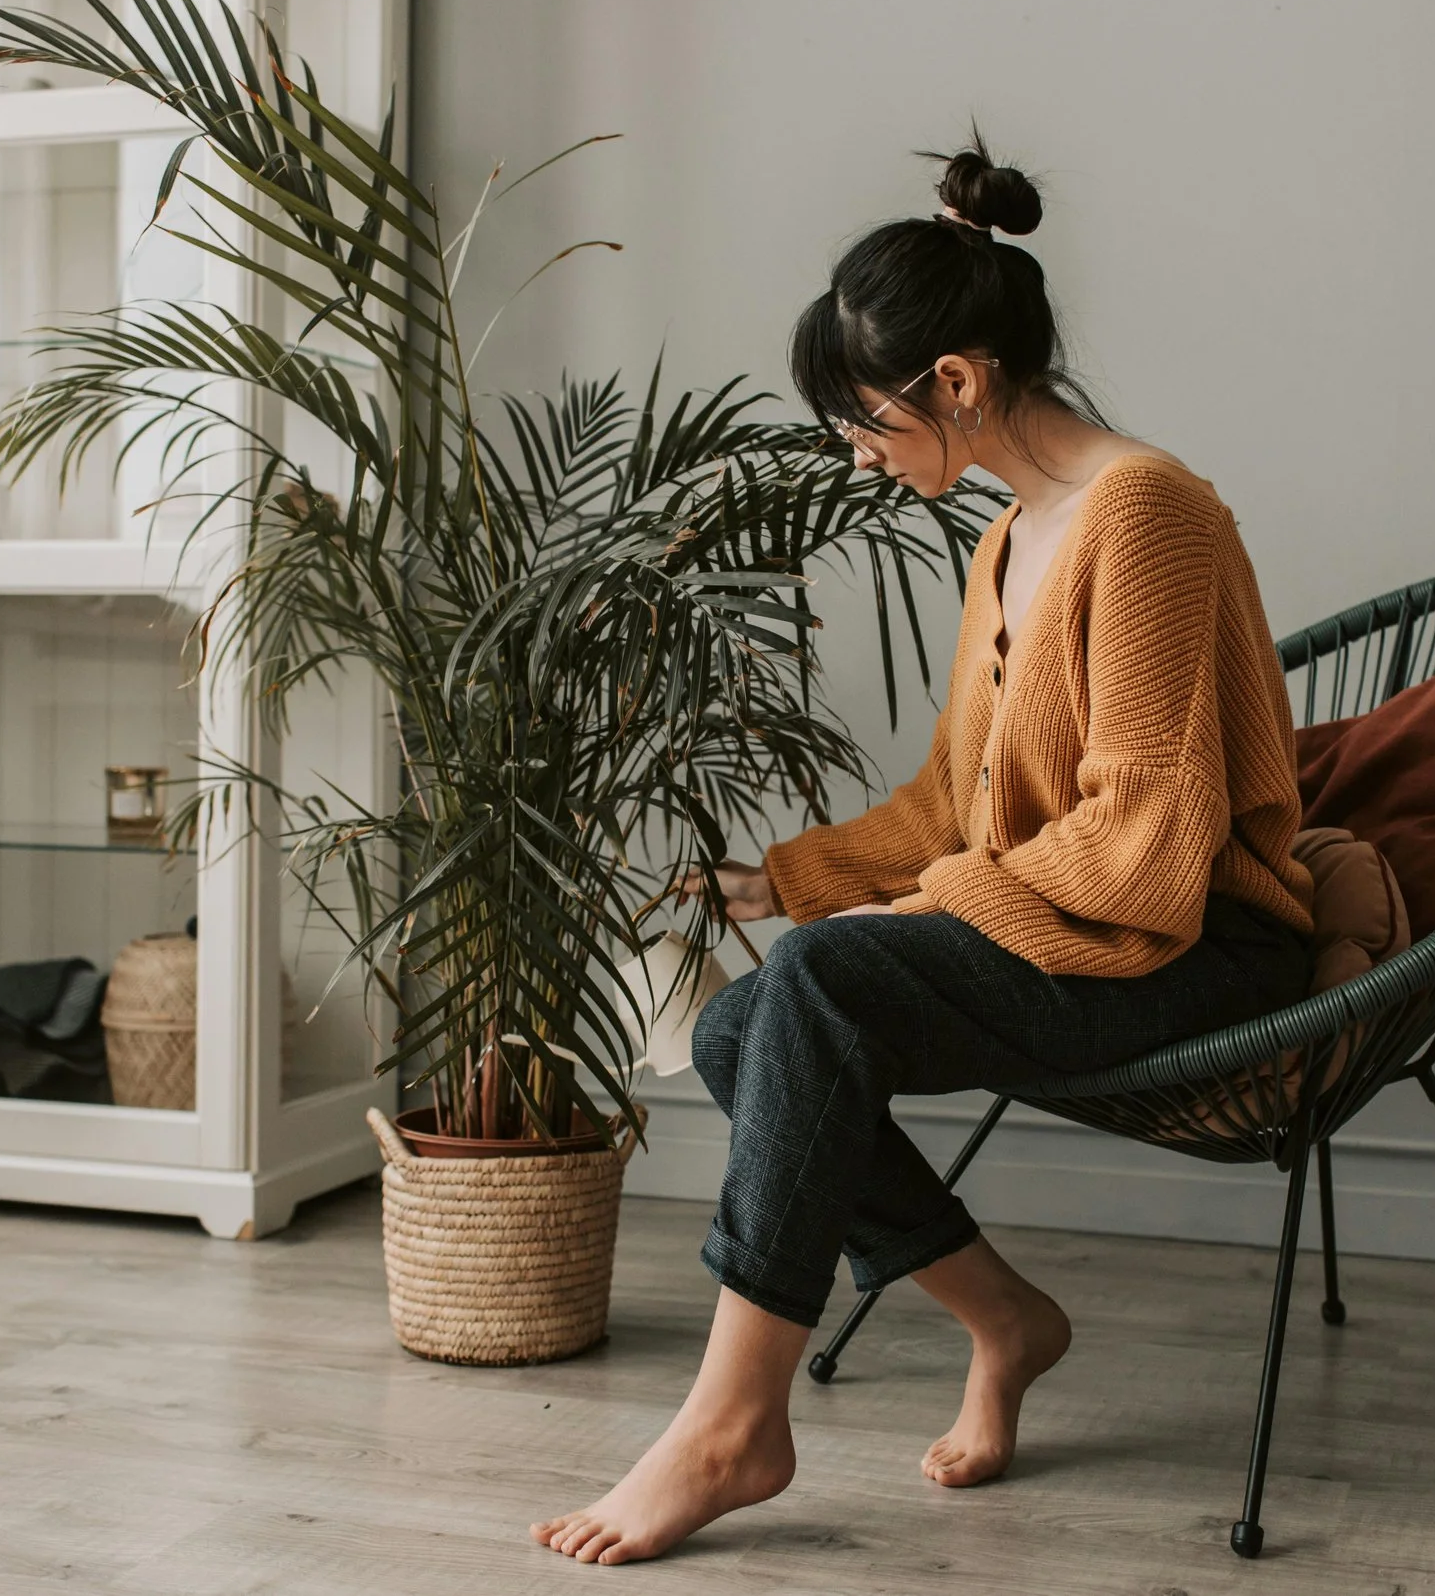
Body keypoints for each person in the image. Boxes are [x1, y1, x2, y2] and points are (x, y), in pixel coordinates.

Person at [533, 135, 1319, 1566]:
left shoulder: (1146, 514)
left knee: (821, 988)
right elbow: (962, 796)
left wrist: (911, 907)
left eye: (868, 425)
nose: (861, 457)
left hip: (1203, 946)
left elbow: (1145, 844)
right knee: (739, 1025)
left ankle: (729, 1424)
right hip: (1082, 927)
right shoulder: (1012, 534)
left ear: (956, 382)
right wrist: (794, 878)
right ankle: (1005, 1318)